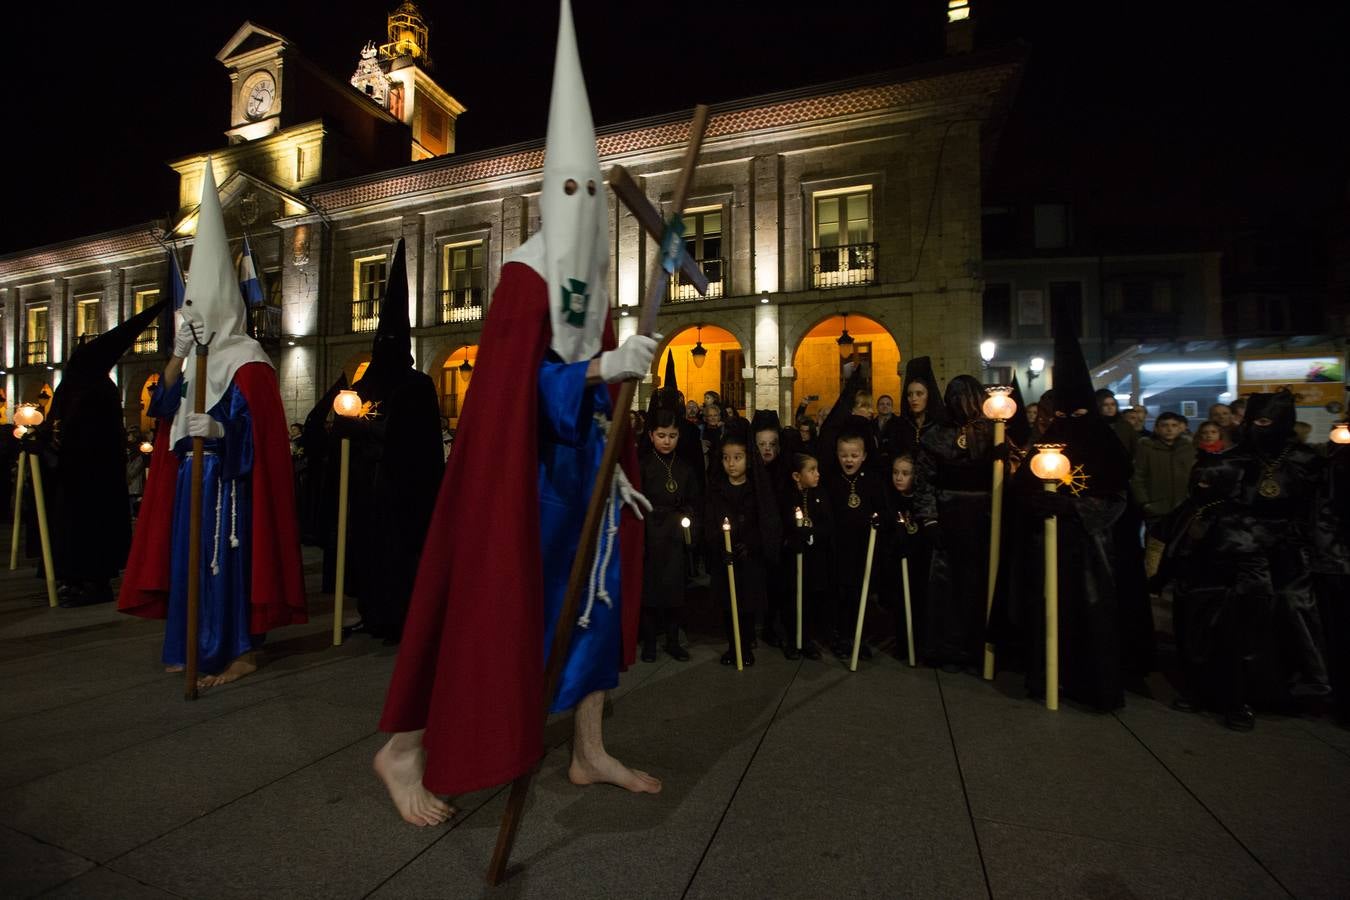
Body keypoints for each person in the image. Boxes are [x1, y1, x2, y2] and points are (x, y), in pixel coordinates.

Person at [373, 2, 661, 827]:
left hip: (588, 477)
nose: (583, 204)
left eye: (591, 191)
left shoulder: (591, 280)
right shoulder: (524, 278)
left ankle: (587, 747)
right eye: (569, 190)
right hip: (527, 484)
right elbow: (514, 396)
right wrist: (598, 369)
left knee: (594, 609)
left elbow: (594, 378)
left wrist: (615, 387)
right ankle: (405, 748)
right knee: (495, 614)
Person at [118, 158, 307, 688]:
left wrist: (223, 431)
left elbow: (262, 437)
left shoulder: (248, 360)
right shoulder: (191, 356)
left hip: (230, 484)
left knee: (227, 566)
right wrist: (177, 360)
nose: (193, 315)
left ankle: (239, 649)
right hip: (187, 480)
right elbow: (162, 413)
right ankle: (189, 643)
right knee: (188, 565)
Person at [1007, 306, 1133, 711]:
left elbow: (1118, 496)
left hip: (1090, 552)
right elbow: (1021, 488)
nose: (1070, 421)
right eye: (1064, 413)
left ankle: (1093, 685)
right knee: (1047, 610)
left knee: (1091, 616)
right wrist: (1034, 500)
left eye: (1078, 412)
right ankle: (1046, 676)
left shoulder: (1103, 442)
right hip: (1047, 545)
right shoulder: (1051, 439)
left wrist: (1075, 508)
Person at [333, 240, 445, 644]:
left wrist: (365, 430)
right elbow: (336, 422)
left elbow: (415, 440)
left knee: (400, 556)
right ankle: (372, 611)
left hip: (404, 491)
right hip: (366, 489)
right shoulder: (364, 383)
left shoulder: (418, 386)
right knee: (368, 552)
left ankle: (403, 617)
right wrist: (341, 423)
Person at [37, 300, 166, 607]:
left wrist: (66, 445)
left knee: (90, 531)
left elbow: (95, 435)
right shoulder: (75, 386)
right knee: (68, 529)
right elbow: (57, 423)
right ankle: (72, 578)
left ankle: (93, 582)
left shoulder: (98, 390)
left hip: (92, 478)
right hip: (71, 475)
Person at [914, 375, 993, 671]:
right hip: (948, 515)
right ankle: (946, 649)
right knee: (946, 587)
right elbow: (924, 480)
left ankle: (979, 649)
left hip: (983, 518)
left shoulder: (992, 431)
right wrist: (930, 518)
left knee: (979, 584)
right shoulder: (936, 433)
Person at [704, 425, 781, 666]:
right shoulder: (716, 489)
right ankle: (732, 645)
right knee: (729, 605)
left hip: (749, 559)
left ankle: (746, 645)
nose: (731, 463)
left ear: (748, 459)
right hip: (724, 558)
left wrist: (751, 545)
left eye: (737, 458)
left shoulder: (756, 488)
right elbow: (710, 520)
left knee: (747, 605)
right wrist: (718, 545)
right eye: (726, 458)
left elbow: (766, 522)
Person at [638, 406, 700, 662]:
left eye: (672, 435)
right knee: (650, 591)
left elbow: (694, 499)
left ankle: (673, 640)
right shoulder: (643, 465)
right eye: (662, 435)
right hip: (651, 534)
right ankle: (650, 641)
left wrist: (687, 517)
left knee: (675, 591)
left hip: (675, 535)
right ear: (651, 435)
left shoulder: (685, 468)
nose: (667, 441)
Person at [883, 453, 932, 663]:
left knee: (919, 603)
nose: (899, 478)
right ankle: (903, 644)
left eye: (905, 473)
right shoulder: (889, 499)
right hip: (898, 560)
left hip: (918, 560)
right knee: (899, 604)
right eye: (895, 473)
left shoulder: (922, 500)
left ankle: (919, 644)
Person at [782, 451, 830, 660]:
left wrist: (811, 533)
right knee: (793, 599)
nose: (817, 474)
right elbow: (783, 524)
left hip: (814, 558)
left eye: (817, 469)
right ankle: (793, 639)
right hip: (793, 558)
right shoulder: (787, 497)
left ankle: (807, 638)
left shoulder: (820, 495)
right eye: (811, 470)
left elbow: (827, 524)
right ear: (796, 476)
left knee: (810, 599)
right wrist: (795, 534)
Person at [1131, 412, 1195, 529]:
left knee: (1181, 544)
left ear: (1179, 428)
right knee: (1156, 545)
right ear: (1156, 428)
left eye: (1174, 425)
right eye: (1164, 425)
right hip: (1156, 508)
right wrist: (1145, 503)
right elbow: (1138, 477)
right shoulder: (1147, 448)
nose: (1169, 429)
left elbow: (1195, 476)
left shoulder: (1188, 448)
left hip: (1184, 508)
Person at [891, 356, 944, 461]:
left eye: (919, 394)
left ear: (928, 395)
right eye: (910, 394)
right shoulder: (899, 426)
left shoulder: (940, 426)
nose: (913, 399)